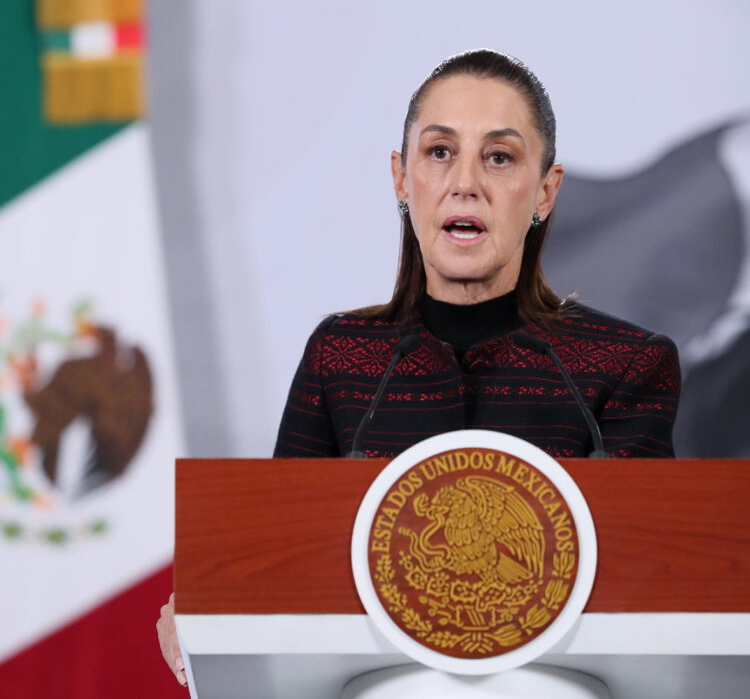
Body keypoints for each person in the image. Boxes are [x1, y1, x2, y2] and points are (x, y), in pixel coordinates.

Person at [157, 49, 681, 684]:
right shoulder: (343, 357)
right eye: (439, 153)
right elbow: (282, 558)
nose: (465, 182)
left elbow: (653, 588)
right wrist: (216, 605)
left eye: (499, 156)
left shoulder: (623, 365)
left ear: (545, 191)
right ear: (402, 179)